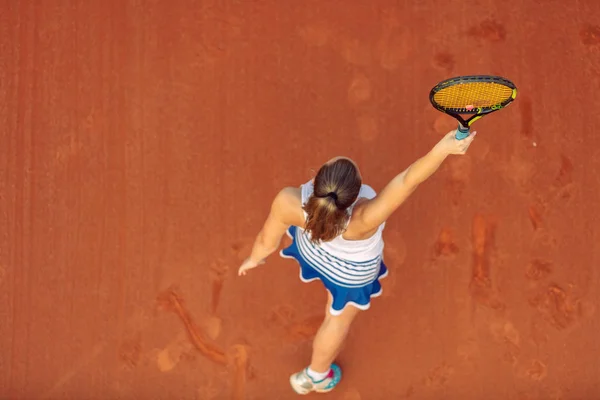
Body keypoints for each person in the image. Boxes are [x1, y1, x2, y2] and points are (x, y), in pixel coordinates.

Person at [238, 129, 477, 395]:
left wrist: (254, 259)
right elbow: (409, 180)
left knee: (330, 304)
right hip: (349, 275)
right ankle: (315, 376)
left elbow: (266, 241)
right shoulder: (365, 218)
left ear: (318, 178)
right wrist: (442, 150)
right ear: (355, 195)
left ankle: (316, 376)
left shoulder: (287, 201)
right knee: (336, 320)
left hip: (312, 251)